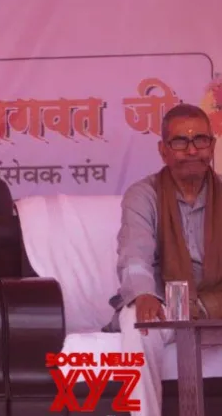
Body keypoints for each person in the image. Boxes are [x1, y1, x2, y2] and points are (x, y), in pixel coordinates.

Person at [104, 103, 222, 416]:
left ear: (212, 145)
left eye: (201, 140)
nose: (192, 150)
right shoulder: (144, 195)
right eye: (180, 141)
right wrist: (143, 293)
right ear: (163, 150)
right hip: (168, 303)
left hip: (218, 302)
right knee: (138, 321)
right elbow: (134, 252)